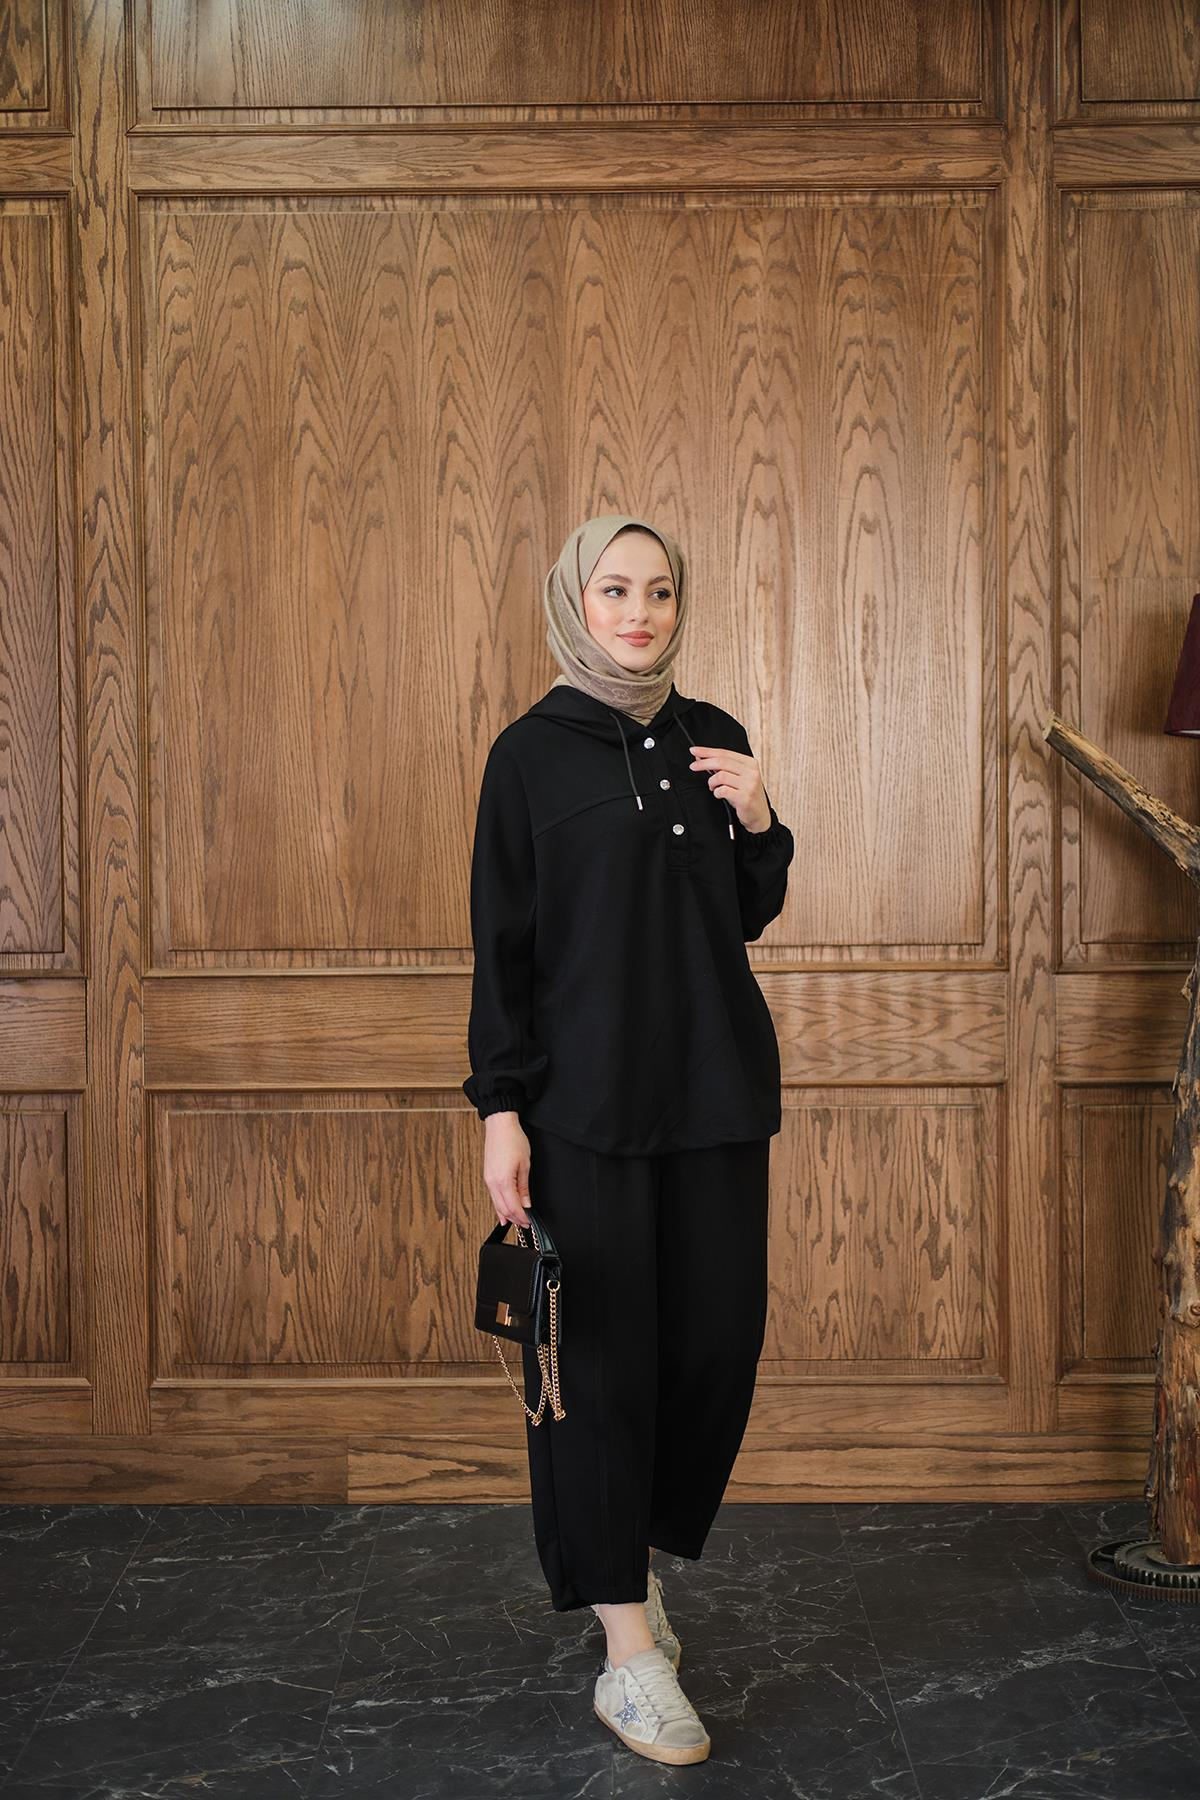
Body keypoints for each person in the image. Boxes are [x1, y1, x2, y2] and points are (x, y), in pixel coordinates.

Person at [462, 513, 794, 1765]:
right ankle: (626, 1652)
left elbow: (743, 913)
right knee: (595, 1373)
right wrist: (501, 1110)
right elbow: (501, 948)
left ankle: (632, 1571)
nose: (639, 613)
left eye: (659, 591)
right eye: (615, 590)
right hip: (582, 1113)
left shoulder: (714, 736)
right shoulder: (527, 757)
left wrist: (761, 818)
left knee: (710, 1348)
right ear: (575, 601)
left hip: (715, 1097)